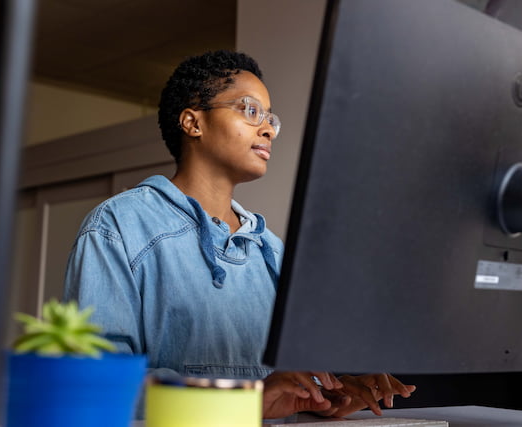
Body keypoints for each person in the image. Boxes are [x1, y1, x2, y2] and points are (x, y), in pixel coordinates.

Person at [64, 49, 415, 419]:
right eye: (250, 111)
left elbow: (273, 395)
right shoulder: (119, 226)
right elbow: (95, 383)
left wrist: (323, 396)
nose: (267, 129)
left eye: (269, 119)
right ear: (192, 122)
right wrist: (242, 398)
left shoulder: (272, 251)